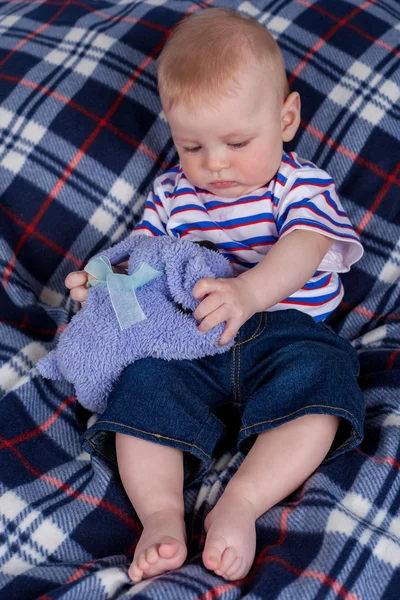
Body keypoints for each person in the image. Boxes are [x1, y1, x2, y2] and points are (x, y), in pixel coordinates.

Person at [66, 8, 365, 583]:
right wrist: (103, 286)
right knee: (140, 385)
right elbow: (144, 262)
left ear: (286, 119)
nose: (216, 164)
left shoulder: (297, 183)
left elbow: (307, 244)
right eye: (192, 145)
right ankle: (161, 516)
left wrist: (249, 291)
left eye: (235, 141)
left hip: (284, 331)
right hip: (192, 340)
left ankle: (243, 503)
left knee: (324, 383)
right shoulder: (173, 195)